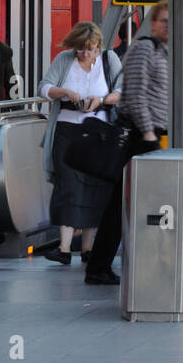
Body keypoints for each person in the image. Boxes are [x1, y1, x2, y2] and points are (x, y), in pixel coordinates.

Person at [87, 4, 169, 285]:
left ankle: (100, 266)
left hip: (147, 134)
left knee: (122, 203)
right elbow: (134, 92)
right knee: (130, 202)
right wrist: (147, 133)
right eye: (164, 21)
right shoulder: (145, 49)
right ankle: (102, 266)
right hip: (139, 136)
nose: (169, 26)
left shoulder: (160, 50)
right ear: (153, 23)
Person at [38, 22, 122, 266]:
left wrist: (102, 100)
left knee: (94, 187)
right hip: (67, 131)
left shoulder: (110, 60)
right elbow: (43, 86)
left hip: (98, 134)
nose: (85, 54)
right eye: (80, 49)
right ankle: (64, 248)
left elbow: (122, 89)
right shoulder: (65, 59)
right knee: (68, 186)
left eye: (90, 49)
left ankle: (88, 248)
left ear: (99, 47)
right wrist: (63, 91)